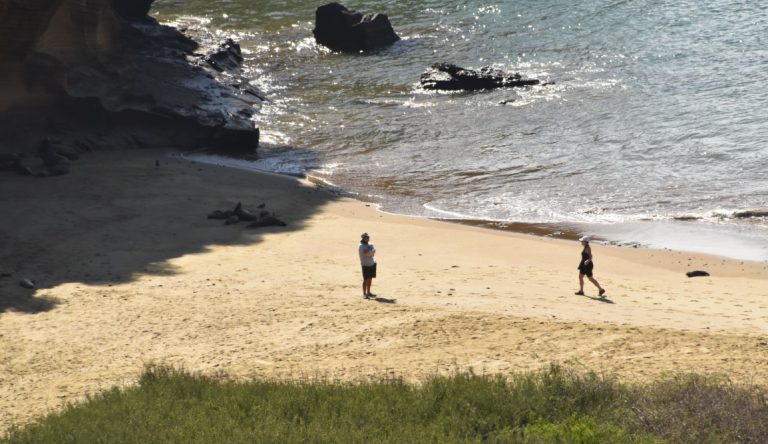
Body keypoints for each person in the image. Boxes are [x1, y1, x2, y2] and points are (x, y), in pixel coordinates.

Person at [359, 232, 377, 298]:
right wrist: (371, 252)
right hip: (365, 264)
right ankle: (364, 293)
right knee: (365, 279)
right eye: (366, 237)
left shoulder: (370, 244)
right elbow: (367, 253)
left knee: (370, 279)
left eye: (368, 237)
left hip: (371, 263)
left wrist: (371, 252)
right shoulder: (361, 246)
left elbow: (374, 251)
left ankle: (368, 292)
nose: (367, 238)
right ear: (363, 238)